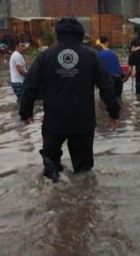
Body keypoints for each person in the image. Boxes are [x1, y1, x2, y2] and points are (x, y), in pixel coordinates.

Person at [19, 18, 120, 183]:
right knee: (84, 171)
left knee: (50, 169)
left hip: (53, 123)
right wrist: (114, 112)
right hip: (83, 123)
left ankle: (55, 199)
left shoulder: (45, 56)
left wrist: (25, 112)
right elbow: (106, 87)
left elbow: (30, 86)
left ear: (57, 35)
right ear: (81, 35)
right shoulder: (91, 56)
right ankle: (84, 201)